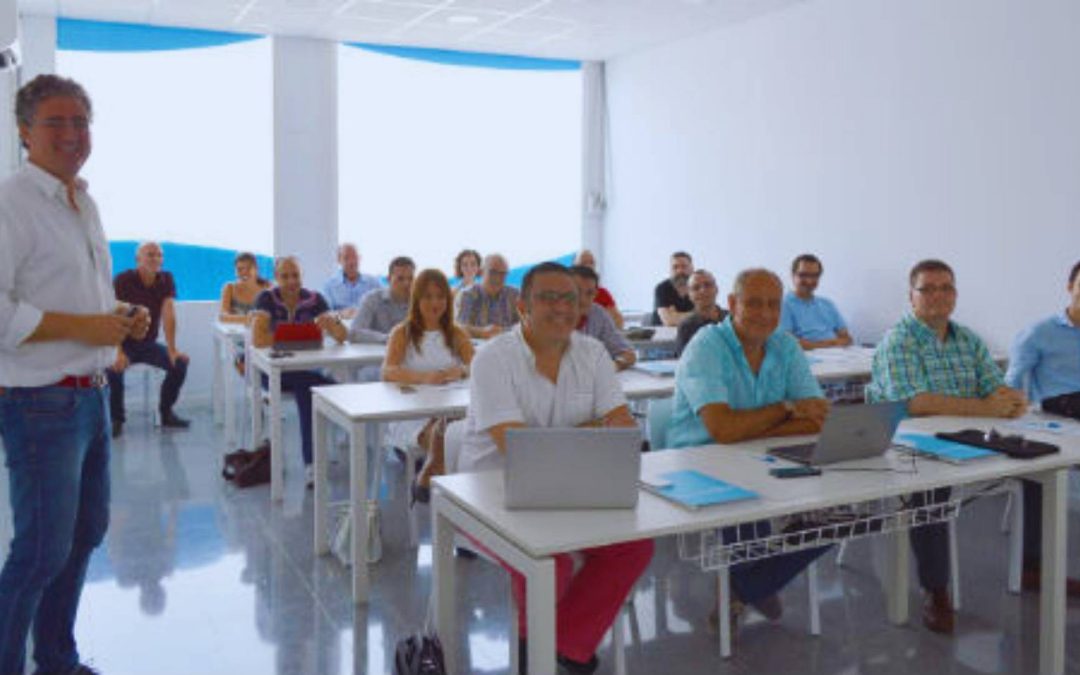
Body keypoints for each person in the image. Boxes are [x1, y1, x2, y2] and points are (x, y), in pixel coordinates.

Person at [0, 73, 151, 675]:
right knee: (39, 553)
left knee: (86, 534)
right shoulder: (10, 201)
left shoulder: (81, 200)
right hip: (39, 402)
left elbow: (75, 296)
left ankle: (56, 659)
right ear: (24, 131)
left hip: (89, 398)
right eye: (55, 122)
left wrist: (119, 315)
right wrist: (80, 329)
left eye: (81, 122)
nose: (71, 134)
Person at [457, 262, 653, 673]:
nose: (562, 307)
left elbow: (622, 429)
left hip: (574, 488)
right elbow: (518, 451)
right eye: (548, 297)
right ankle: (544, 655)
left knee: (634, 546)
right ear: (521, 305)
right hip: (492, 494)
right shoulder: (492, 360)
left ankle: (562, 647)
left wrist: (571, 435)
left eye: (570, 298)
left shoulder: (593, 352)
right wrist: (590, 430)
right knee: (550, 559)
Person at [867, 259, 1027, 634]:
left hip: (964, 436)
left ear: (955, 294)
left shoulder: (967, 338)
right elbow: (916, 402)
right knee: (929, 491)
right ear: (911, 297)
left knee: (1038, 466)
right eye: (927, 289)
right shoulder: (899, 340)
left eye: (946, 288)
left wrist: (1010, 399)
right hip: (906, 444)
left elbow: (991, 386)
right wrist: (988, 407)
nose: (938, 296)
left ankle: (1033, 564)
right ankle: (936, 590)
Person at [667, 268, 830, 629]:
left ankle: (746, 588)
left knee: (838, 514)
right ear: (731, 304)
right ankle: (756, 585)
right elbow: (722, 430)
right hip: (701, 460)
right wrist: (786, 409)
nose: (764, 313)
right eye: (753, 303)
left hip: (764, 453)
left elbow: (817, 416)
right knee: (745, 502)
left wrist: (757, 424)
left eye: (773, 304)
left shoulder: (784, 345)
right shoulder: (707, 345)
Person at [1004, 259, 1080, 595]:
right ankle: (1032, 565)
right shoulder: (1040, 332)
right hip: (1054, 419)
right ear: (1070, 287)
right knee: (1037, 470)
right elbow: (1011, 386)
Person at [251, 256, 347, 485]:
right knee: (313, 387)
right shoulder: (266, 298)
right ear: (276, 277)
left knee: (307, 388)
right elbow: (258, 338)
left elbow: (342, 337)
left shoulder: (315, 299)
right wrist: (293, 334)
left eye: (295, 275)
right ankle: (312, 462)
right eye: (285, 276)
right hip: (273, 374)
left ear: (302, 276)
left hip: (305, 371)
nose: (291, 281)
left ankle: (312, 464)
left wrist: (331, 323)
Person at [381, 269, 474, 501]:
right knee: (451, 432)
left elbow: (478, 366)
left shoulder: (457, 333)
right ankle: (440, 478)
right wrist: (424, 378)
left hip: (451, 407)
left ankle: (433, 472)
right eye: (428, 296)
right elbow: (388, 371)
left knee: (457, 426)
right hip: (413, 414)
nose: (435, 303)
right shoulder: (402, 333)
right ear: (417, 299)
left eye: (441, 296)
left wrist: (460, 370)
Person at [107, 241, 191, 437]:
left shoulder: (166, 279)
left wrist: (172, 349)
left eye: (159, 255)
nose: (156, 259)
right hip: (122, 342)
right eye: (150, 255)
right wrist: (117, 352)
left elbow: (168, 313)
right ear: (138, 259)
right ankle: (116, 419)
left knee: (179, 364)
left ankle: (166, 413)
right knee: (113, 370)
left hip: (147, 344)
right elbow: (112, 315)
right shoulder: (123, 280)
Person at [780, 254, 853, 350]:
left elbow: (847, 339)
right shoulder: (783, 305)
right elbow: (788, 343)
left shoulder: (827, 304)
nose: (809, 281)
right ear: (793, 275)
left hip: (839, 355)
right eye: (803, 275)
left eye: (814, 276)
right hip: (810, 359)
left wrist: (814, 344)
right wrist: (830, 343)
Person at [569, 265, 635, 370]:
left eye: (589, 293)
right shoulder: (547, 316)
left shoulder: (598, 314)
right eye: (577, 291)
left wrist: (614, 365)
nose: (583, 299)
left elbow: (628, 354)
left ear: (595, 294)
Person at [348, 256, 414, 344]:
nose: (407, 283)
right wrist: (389, 339)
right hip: (376, 356)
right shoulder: (372, 299)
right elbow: (354, 333)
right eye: (400, 279)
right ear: (389, 279)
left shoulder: (420, 302)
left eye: (411, 279)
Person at [457, 253, 520, 339]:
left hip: (508, 345)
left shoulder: (514, 295)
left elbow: (525, 325)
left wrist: (504, 332)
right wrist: (481, 332)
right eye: (493, 272)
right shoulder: (469, 294)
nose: (498, 278)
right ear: (482, 272)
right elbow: (460, 328)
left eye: (503, 273)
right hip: (479, 348)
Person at [674, 269, 728, 357]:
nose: (703, 291)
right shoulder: (686, 327)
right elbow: (685, 363)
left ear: (716, 289)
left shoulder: (733, 320)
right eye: (696, 288)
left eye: (707, 285)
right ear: (690, 295)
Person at [322, 243, 382, 319]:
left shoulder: (373, 283)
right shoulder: (329, 286)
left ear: (359, 258)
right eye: (346, 258)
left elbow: (383, 309)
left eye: (355, 257)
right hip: (340, 326)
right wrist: (341, 314)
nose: (352, 262)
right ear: (339, 260)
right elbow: (324, 314)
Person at [574, 249, 624, 329]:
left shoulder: (603, 293)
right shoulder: (567, 293)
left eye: (591, 263)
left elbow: (619, 322)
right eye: (584, 263)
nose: (588, 266)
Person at [219, 251, 271, 324]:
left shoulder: (267, 287)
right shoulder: (229, 288)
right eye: (239, 269)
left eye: (248, 268)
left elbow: (273, 316)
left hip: (260, 333)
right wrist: (250, 318)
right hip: (236, 333)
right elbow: (223, 317)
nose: (244, 272)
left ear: (256, 269)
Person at [652, 251, 695, 326]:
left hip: (691, 333)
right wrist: (697, 315)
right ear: (670, 270)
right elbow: (670, 321)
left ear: (692, 268)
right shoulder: (662, 288)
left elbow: (708, 315)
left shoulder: (699, 288)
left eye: (684, 266)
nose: (680, 271)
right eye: (675, 267)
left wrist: (677, 315)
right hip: (663, 335)